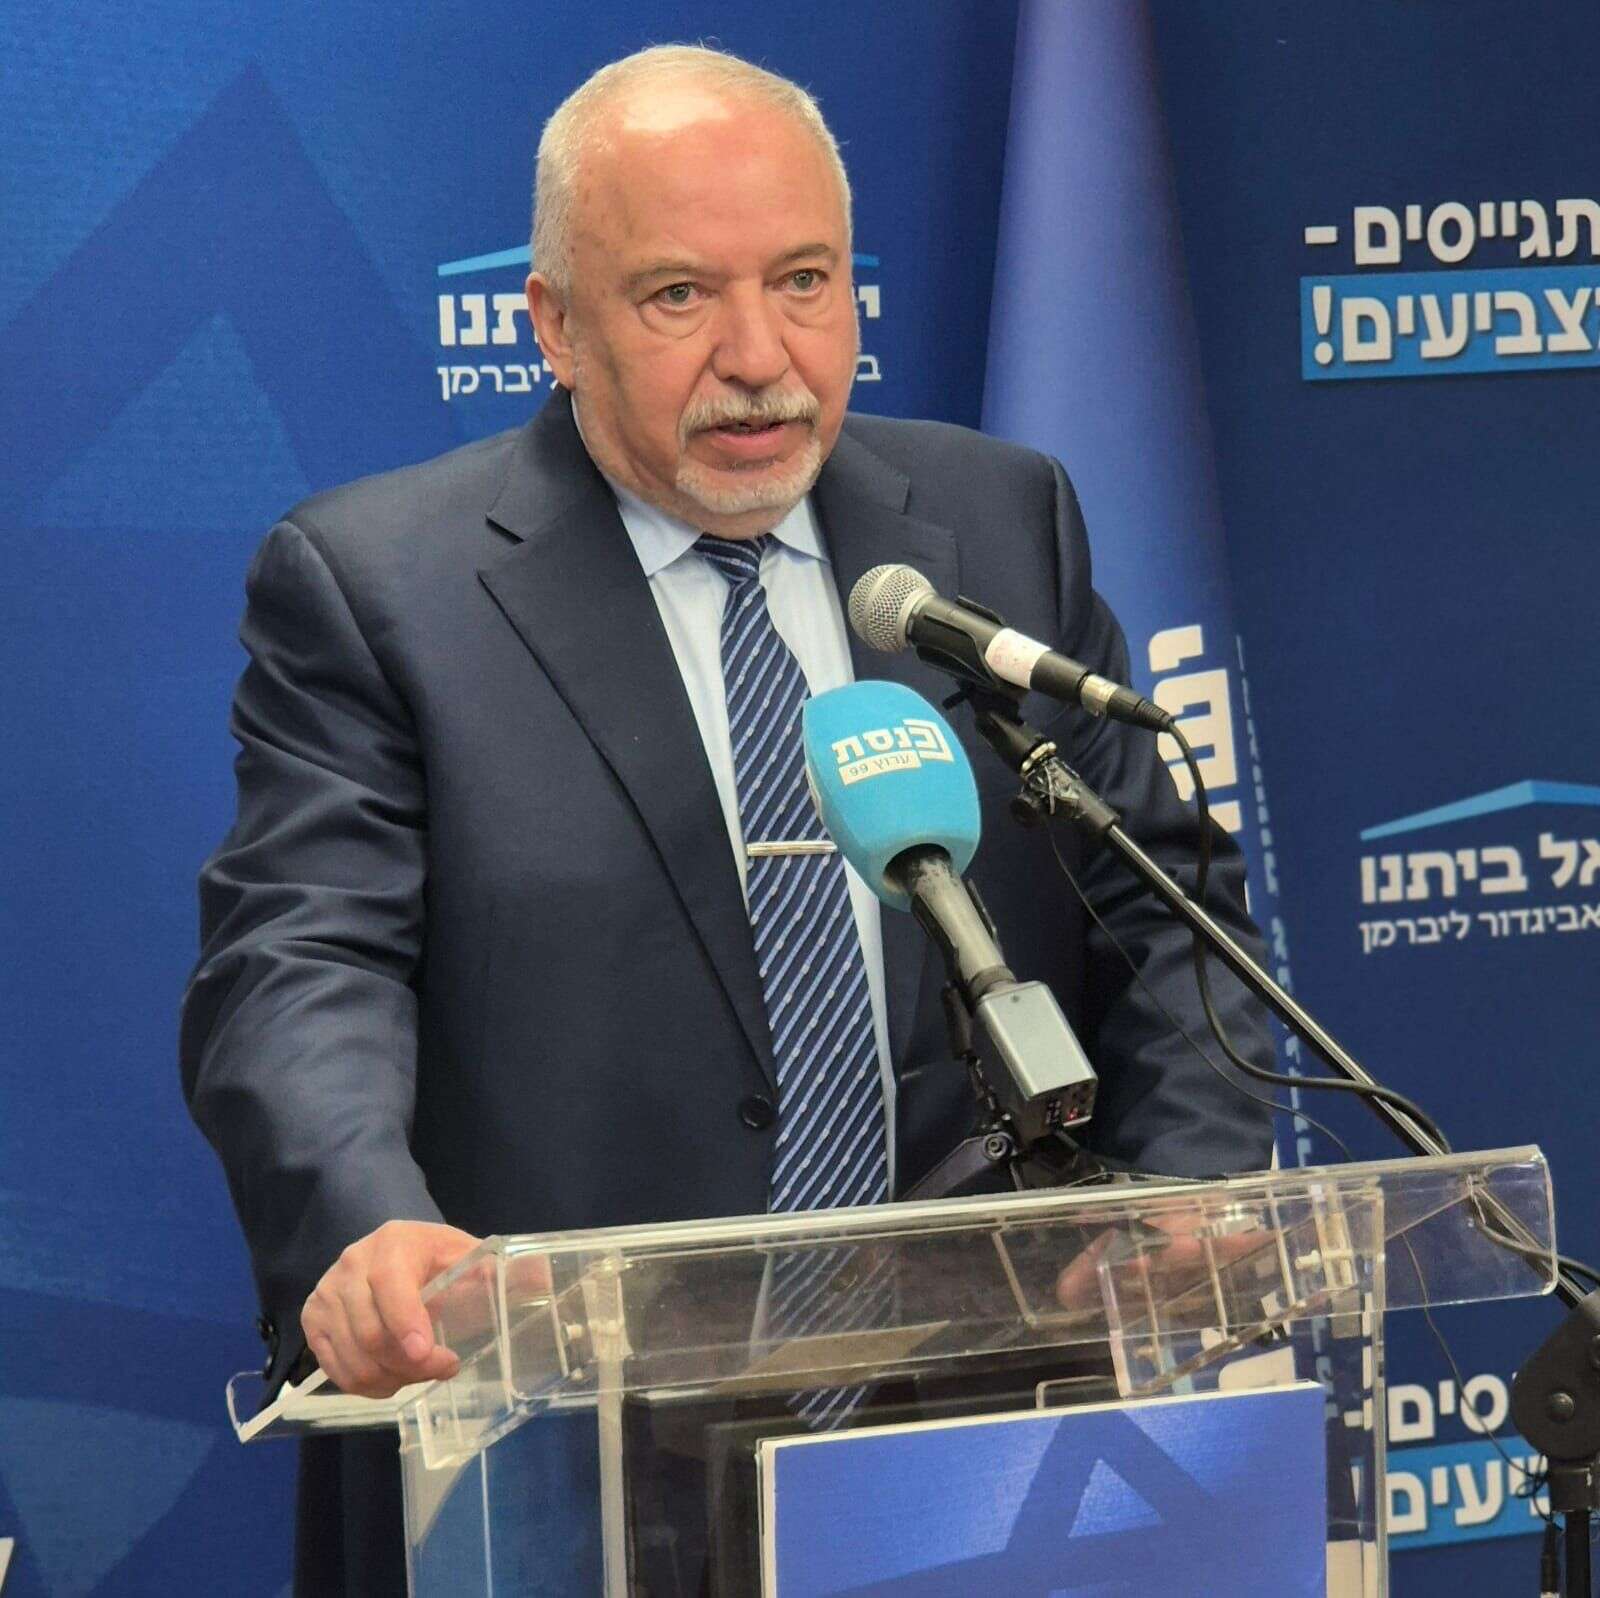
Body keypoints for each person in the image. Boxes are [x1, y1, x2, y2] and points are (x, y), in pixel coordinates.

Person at [180, 43, 1275, 1593]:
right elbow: (299, 966)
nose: (761, 355)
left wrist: (1189, 1192)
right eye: (679, 295)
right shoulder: (383, 588)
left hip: (987, 1453)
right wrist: (369, 1225)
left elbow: (1164, 900)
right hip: (570, 1460)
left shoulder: (998, 524)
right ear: (555, 323)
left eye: (806, 281)